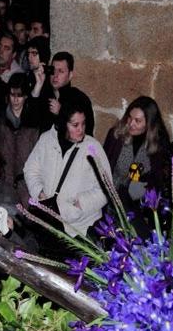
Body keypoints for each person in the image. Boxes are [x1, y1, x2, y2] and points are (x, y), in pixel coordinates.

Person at [24, 102, 110, 240]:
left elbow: (106, 189)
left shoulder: (93, 148)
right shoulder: (46, 139)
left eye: (83, 123)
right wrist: (39, 193)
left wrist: (79, 205)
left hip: (81, 228)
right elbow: (30, 169)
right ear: (63, 124)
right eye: (75, 125)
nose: (81, 129)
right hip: (49, 224)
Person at [103, 96, 170, 210]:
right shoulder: (116, 135)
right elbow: (104, 166)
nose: (131, 123)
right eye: (129, 118)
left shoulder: (159, 143)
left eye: (137, 121)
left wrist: (144, 186)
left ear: (149, 124)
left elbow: (159, 179)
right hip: (111, 196)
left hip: (141, 204)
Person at [0, 73, 40, 206]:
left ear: (26, 96)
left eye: (19, 95)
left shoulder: (33, 124)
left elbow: (39, 159)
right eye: (12, 95)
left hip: (27, 187)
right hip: (3, 186)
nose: (15, 100)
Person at [33, 51, 95, 136]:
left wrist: (61, 113)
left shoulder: (80, 99)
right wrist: (37, 86)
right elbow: (29, 122)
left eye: (61, 71)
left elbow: (86, 134)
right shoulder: (44, 94)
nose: (55, 75)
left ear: (70, 75)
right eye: (53, 70)